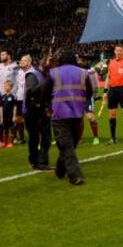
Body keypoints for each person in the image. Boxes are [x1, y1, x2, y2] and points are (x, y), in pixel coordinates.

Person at [47, 49, 95, 185]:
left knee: (66, 146)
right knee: (70, 145)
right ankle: (64, 171)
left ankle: (73, 176)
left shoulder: (54, 72)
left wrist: (48, 106)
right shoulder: (82, 73)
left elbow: (45, 92)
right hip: (76, 114)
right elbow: (89, 92)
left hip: (59, 115)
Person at [22, 55, 51, 170]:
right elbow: (31, 92)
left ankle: (39, 161)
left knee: (43, 137)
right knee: (37, 137)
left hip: (39, 110)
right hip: (33, 111)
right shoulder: (33, 75)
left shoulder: (43, 75)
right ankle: (36, 161)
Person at [104, 45, 123, 145]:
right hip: (112, 90)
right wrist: (105, 91)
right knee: (112, 113)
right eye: (117, 50)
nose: (119, 52)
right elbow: (108, 77)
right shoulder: (111, 62)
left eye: (120, 50)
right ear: (114, 51)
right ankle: (113, 138)